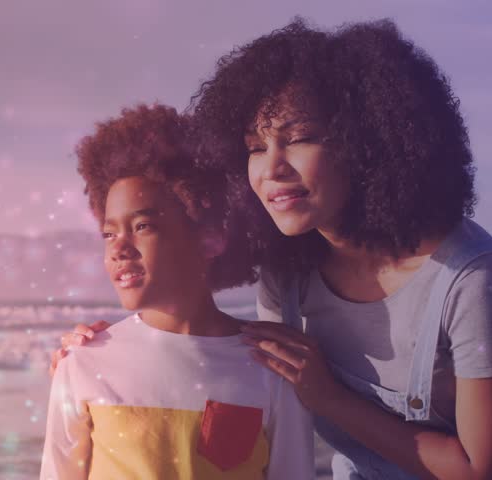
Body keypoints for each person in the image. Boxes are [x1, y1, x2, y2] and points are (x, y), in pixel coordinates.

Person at [54, 19, 492, 480]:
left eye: (299, 139)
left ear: (365, 142)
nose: (272, 168)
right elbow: (231, 354)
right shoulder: (287, 274)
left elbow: (482, 471)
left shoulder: (470, 277)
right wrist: (104, 350)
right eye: (255, 147)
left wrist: (331, 399)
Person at [40, 104, 314, 479]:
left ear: (212, 238)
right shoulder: (83, 363)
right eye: (109, 233)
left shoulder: (270, 370)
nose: (118, 248)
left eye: (142, 227)